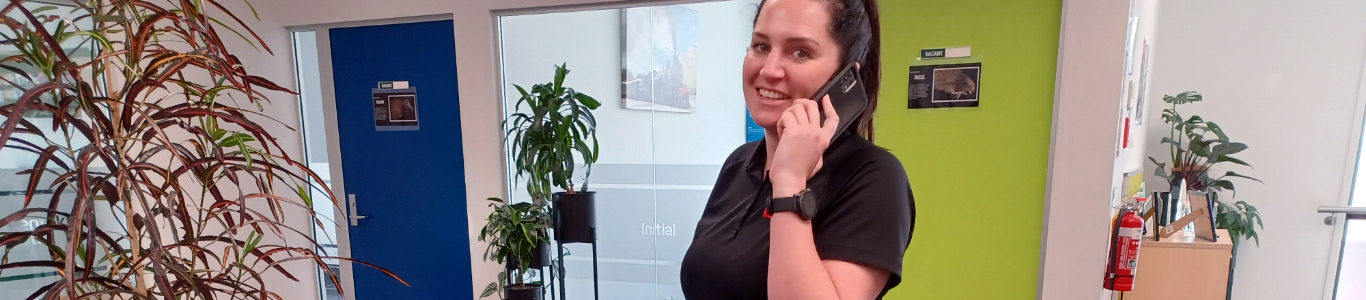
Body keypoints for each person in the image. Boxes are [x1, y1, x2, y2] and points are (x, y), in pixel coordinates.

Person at [679, 0, 914, 299]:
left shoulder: (874, 178)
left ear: (843, 77)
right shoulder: (739, 163)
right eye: (761, 46)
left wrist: (789, 181)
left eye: (800, 52)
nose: (769, 69)